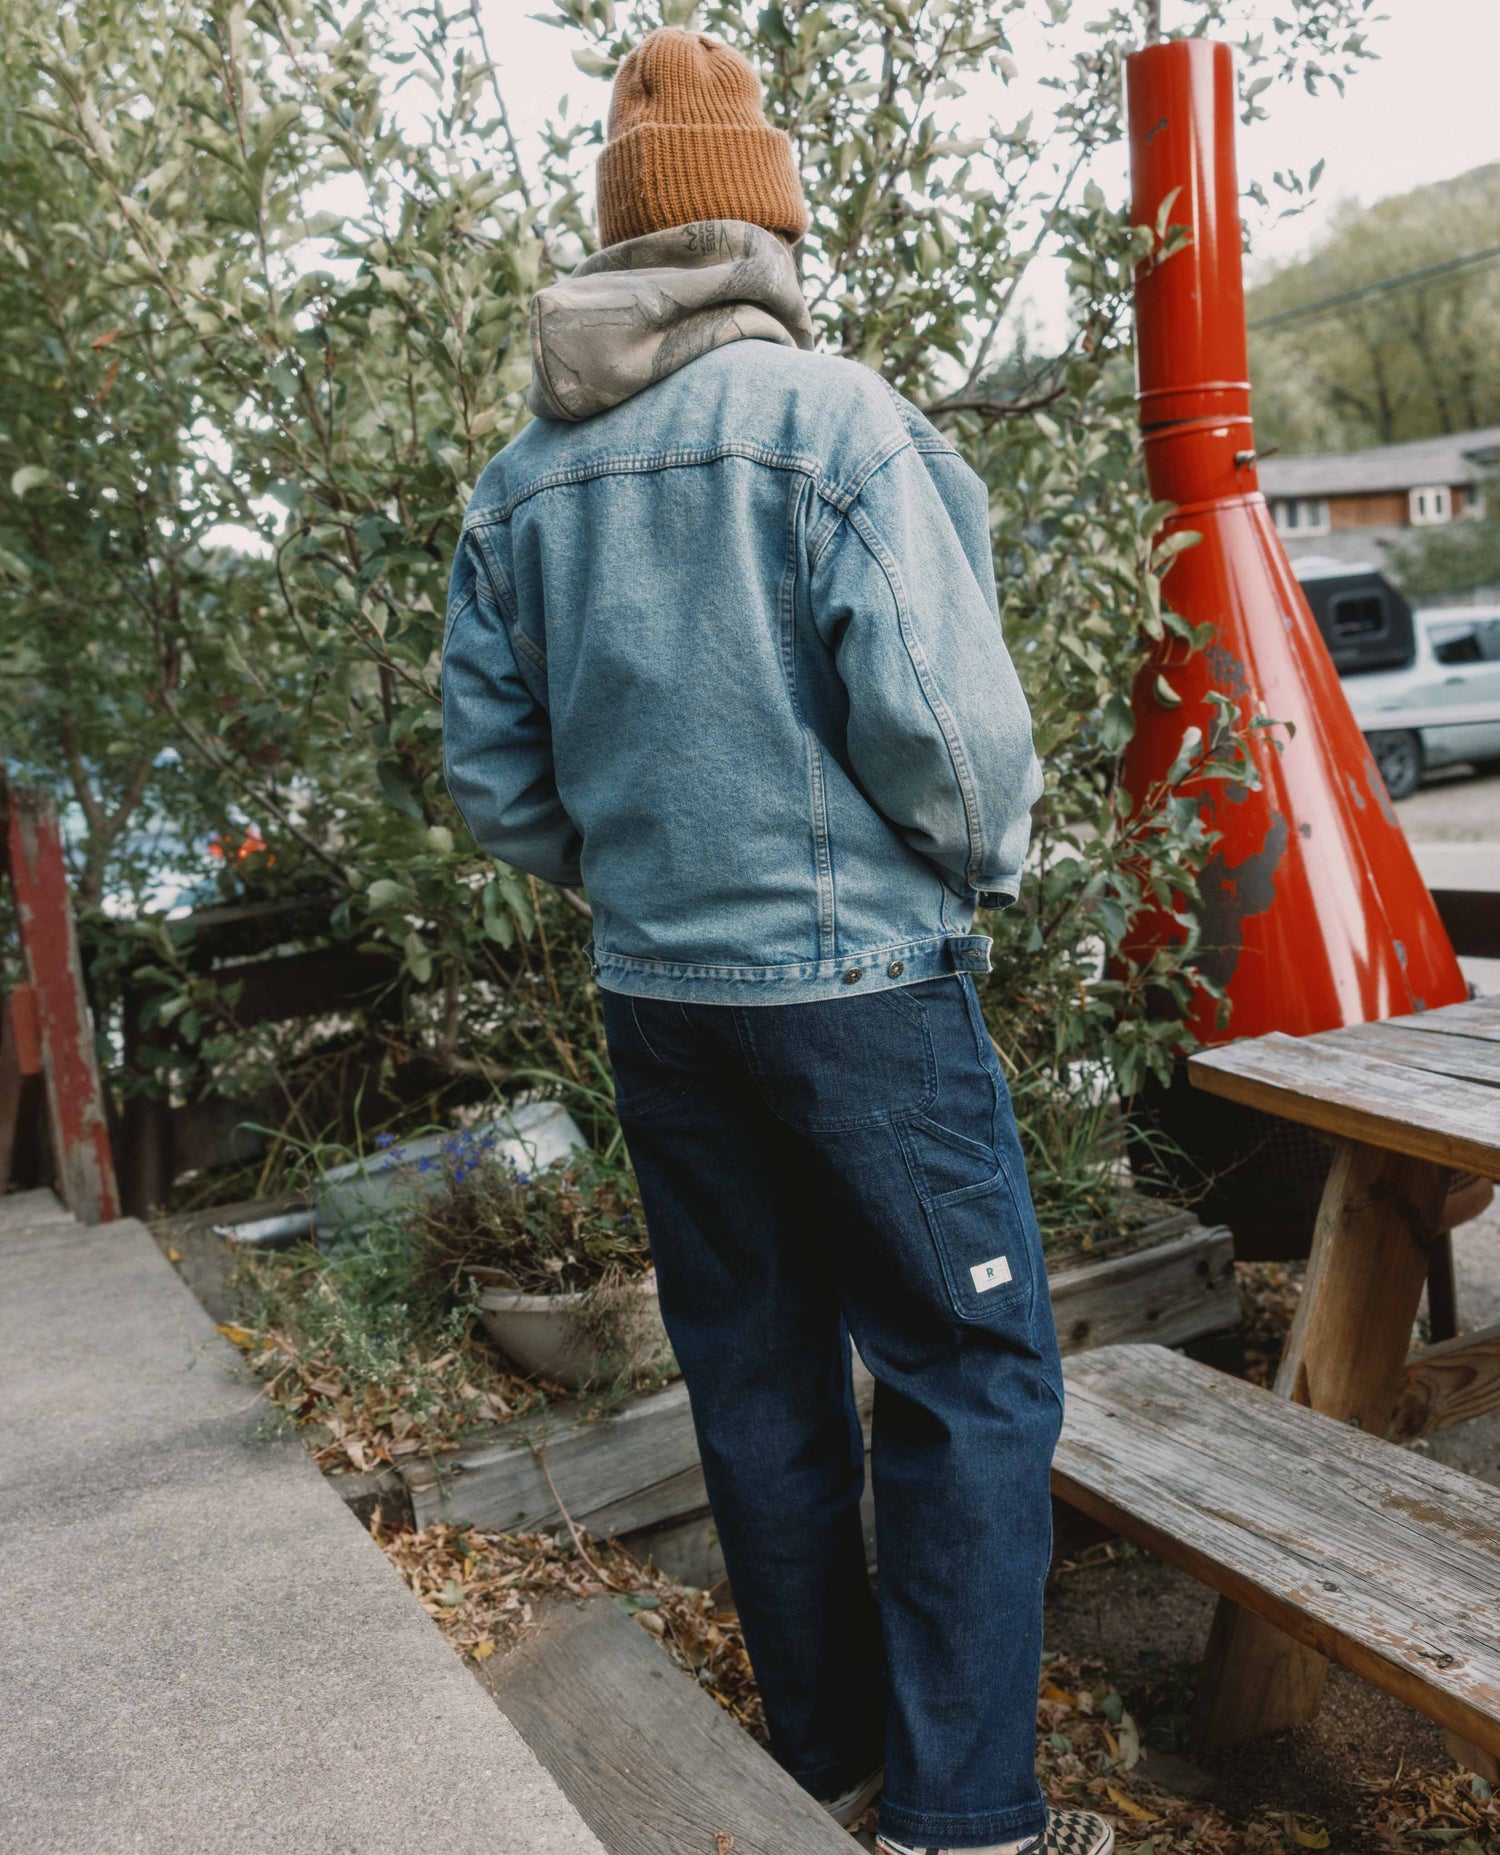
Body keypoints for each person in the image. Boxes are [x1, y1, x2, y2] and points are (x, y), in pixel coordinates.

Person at [442, 26, 1109, 1855]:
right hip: (862, 996)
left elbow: (495, 786)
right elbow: (957, 744)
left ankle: (823, 1772)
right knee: (970, 1376)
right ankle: (966, 1821)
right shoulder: (837, 424)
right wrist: (974, 869)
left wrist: (650, 881)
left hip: (661, 1003)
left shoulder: (520, 485)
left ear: (619, 241)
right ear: (764, 226)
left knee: (756, 1381)